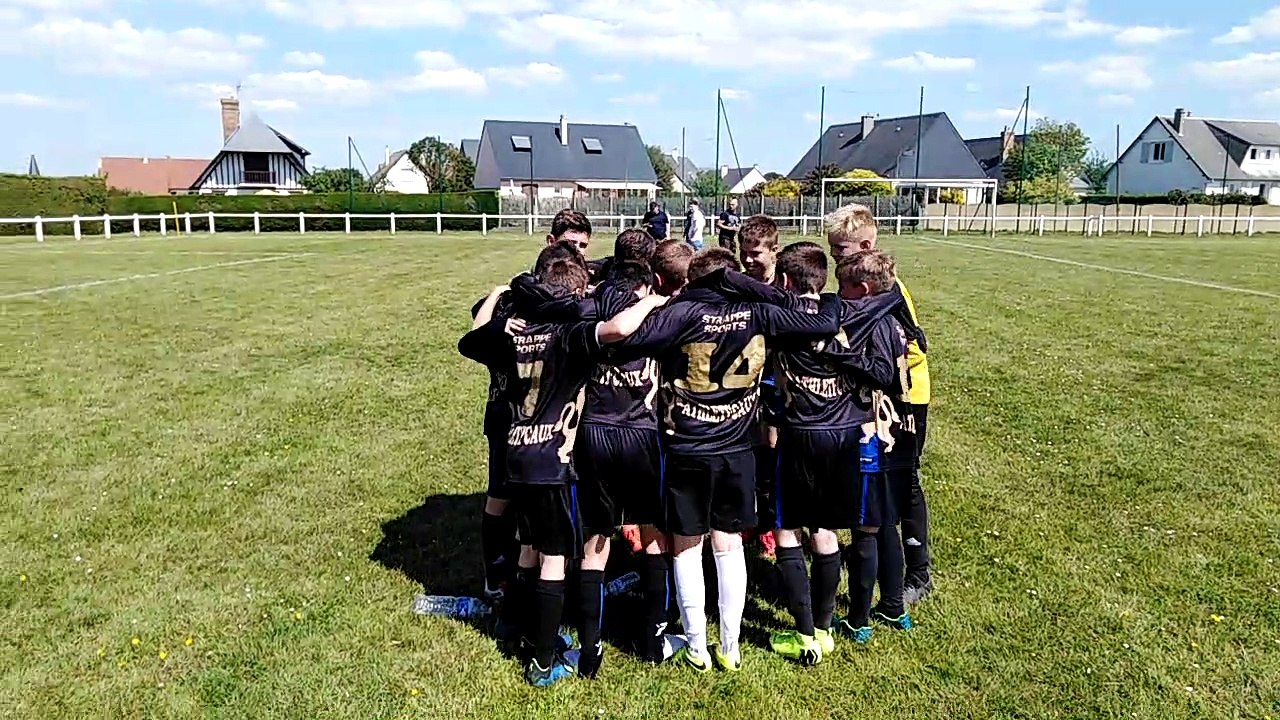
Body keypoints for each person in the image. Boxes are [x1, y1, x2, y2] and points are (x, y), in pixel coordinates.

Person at [606, 248, 841, 673]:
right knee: (729, 546)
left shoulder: (683, 312)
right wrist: (758, 290)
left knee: (687, 547)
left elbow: (626, 341)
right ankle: (729, 647)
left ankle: (696, 645)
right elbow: (823, 320)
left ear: (694, 281)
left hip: (688, 448)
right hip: (736, 450)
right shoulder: (759, 312)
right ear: (733, 280)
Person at [458, 259, 669, 688]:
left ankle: (510, 623)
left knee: (528, 545)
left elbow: (472, 340)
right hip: (553, 457)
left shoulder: (513, 331)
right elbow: (615, 330)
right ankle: (542, 659)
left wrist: (500, 295)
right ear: (572, 296)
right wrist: (651, 302)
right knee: (554, 556)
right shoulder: (568, 335)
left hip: (515, 453)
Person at [468, 241, 590, 604]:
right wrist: (499, 300)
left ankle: (526, 595)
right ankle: (501, 578)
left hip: (539, 425)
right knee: (505, 500)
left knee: (533, 520)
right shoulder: (517, 313)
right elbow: (475, 337)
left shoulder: (559, 311)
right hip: (514, 418)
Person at [826, 203, 934, 604]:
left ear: (866, 245)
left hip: (905, 398)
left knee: (904, 484)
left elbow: (914, 345)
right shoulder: (855, 284)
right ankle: (867, 556)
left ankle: (918, 574)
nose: (835, 256)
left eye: (841, 249)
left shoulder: (890, 293)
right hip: (873, 397)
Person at [823, 249, 915, 644]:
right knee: (883, 522)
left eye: (842, 288)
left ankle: (858, 619)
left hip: (878, 430)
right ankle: (894, 607)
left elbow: (879, 371)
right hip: (895, 426)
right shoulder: (889, 311)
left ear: (861, 290)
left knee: (865, 527)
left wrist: (838, 355)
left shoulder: (876, 321)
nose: (838, 294)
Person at [736, 215, 782, 557]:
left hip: (778, 385)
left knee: (773, 454)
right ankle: (750, 519)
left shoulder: (788, 285)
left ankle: (772, 525)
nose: (748, 259)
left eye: (756, 253)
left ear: (774, 250)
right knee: (748, 455)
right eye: (743, 251)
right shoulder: (737, 284)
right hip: (741, 384)